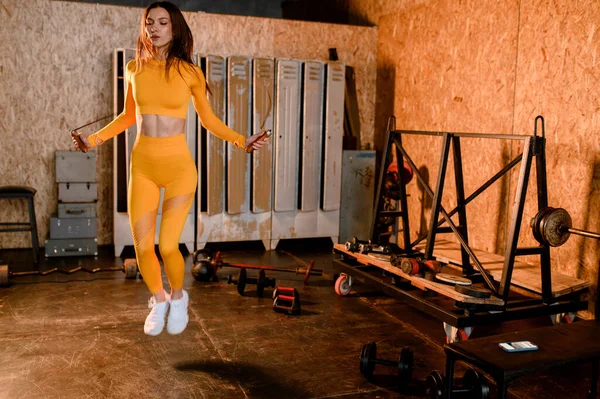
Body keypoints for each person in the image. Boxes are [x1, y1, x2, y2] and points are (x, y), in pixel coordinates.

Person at [71, 1, 268, 336]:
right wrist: (94, 140)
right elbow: (128, 117)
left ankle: (179, 297)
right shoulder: (134, 68)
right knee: (143, 248)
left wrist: (240, 141)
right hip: (143, 166)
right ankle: (159, 299)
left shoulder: (190, 72)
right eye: (150, 22)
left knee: (167, 246)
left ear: (174, 29)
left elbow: (208, 121)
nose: (155, 28)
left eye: (162, 22)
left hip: (178, 168)